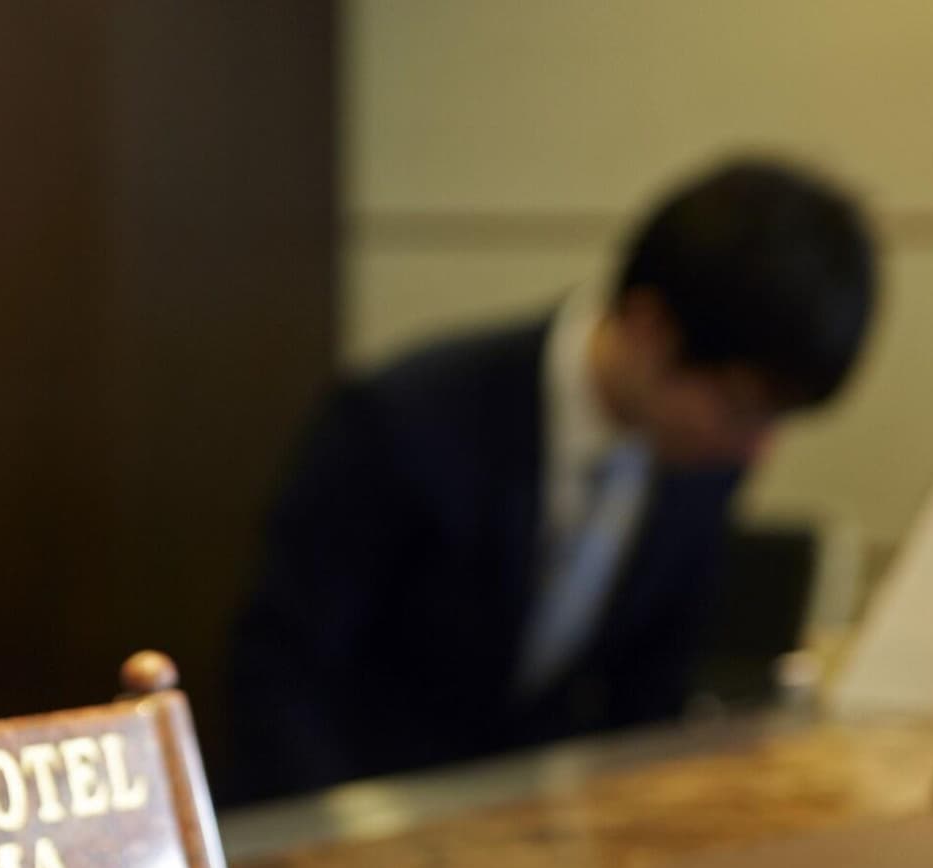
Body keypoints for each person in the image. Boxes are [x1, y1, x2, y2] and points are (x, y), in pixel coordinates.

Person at [226, 157, 876, 802]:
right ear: (650, 327)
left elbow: (649, 701)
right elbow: (277, 673)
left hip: (534, 830)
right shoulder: (404, 419)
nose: (759, 448)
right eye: (740, 407)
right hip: (363, 812)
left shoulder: (701, 464)